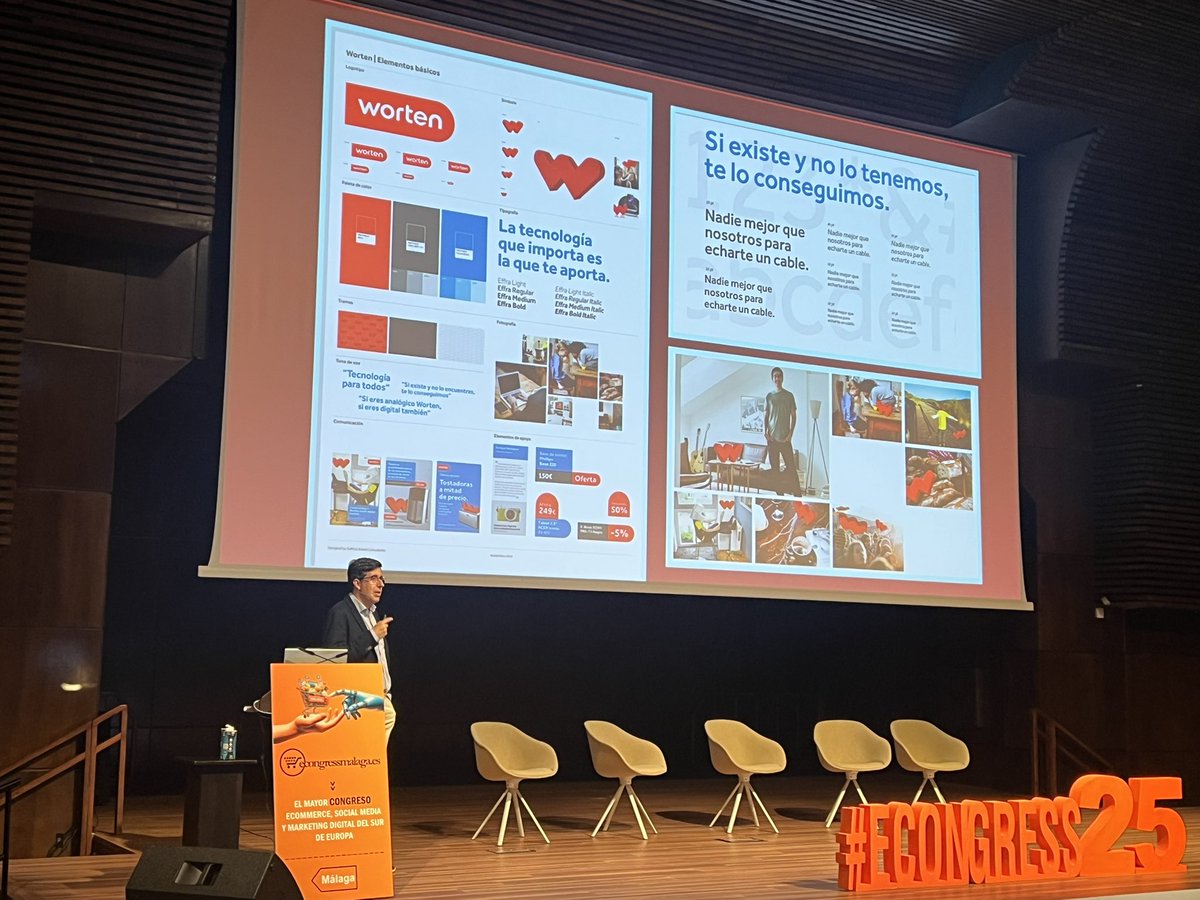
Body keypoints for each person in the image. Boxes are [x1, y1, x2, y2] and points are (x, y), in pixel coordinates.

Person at [322, 557, 396, 741]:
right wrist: (372, 635)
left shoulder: (373, 613)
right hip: (359, 697)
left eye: (381, 579)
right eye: (373, 579)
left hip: (378, 695)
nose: (381, 585)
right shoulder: (340, 612)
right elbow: (335, 659)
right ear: (357, 583)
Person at [763, 366, 802, 495]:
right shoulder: (769, 396)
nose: (777, 378)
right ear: (772, 379)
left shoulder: (789, 396)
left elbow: (794, 416)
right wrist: (765, 432)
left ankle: (798, 496)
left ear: (782, 378)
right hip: (772, 439)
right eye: (775, 376)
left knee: (791, 468)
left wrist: (790, 434)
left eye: (779, 376)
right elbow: (766, 415)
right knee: (775, 470)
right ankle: (780, 496)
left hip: (785, 439)